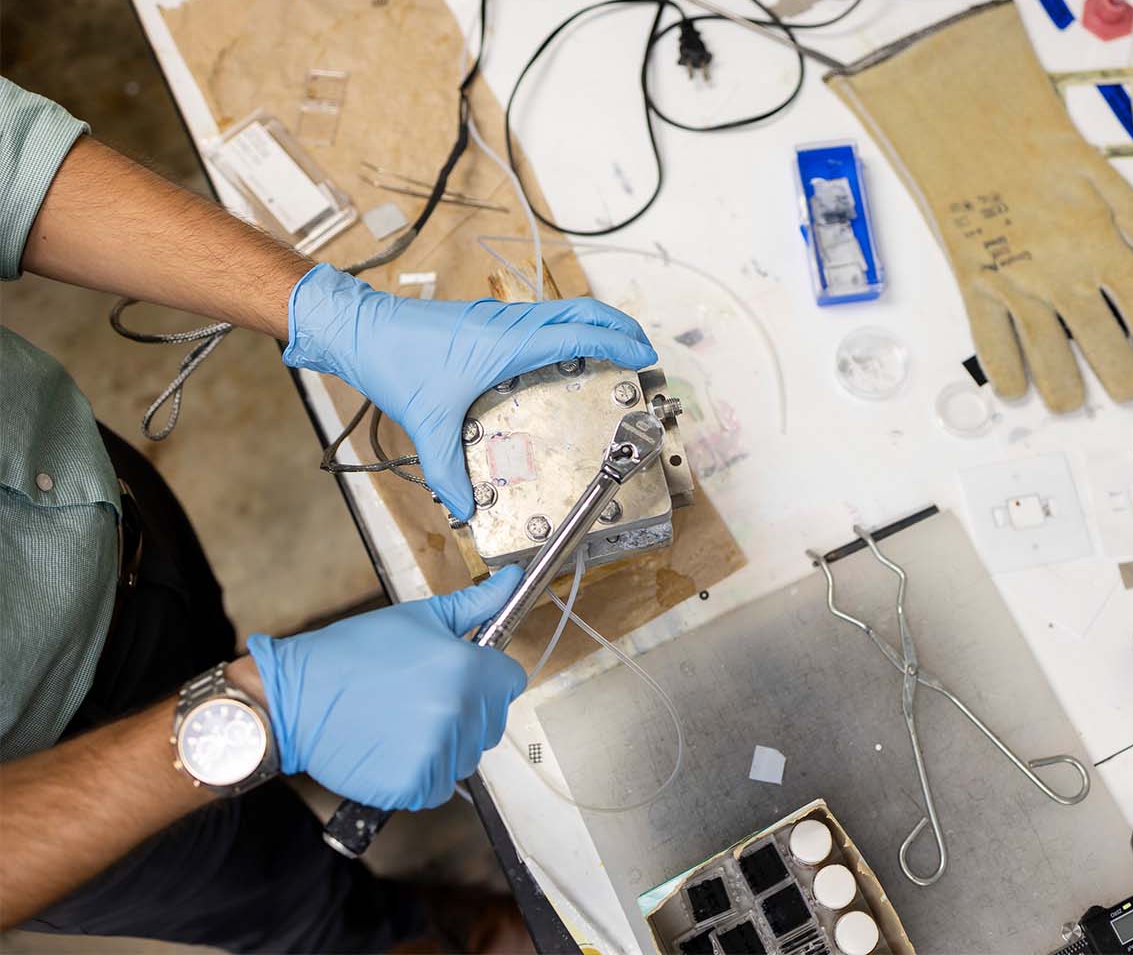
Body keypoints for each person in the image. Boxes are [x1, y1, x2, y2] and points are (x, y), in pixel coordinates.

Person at [0, 78, 656, 951]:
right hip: (60, 799)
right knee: (286, 904)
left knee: (207, 632)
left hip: (102, 513)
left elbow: (10, 160)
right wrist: (261, 715)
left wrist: (335, 314)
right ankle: (410, 932)